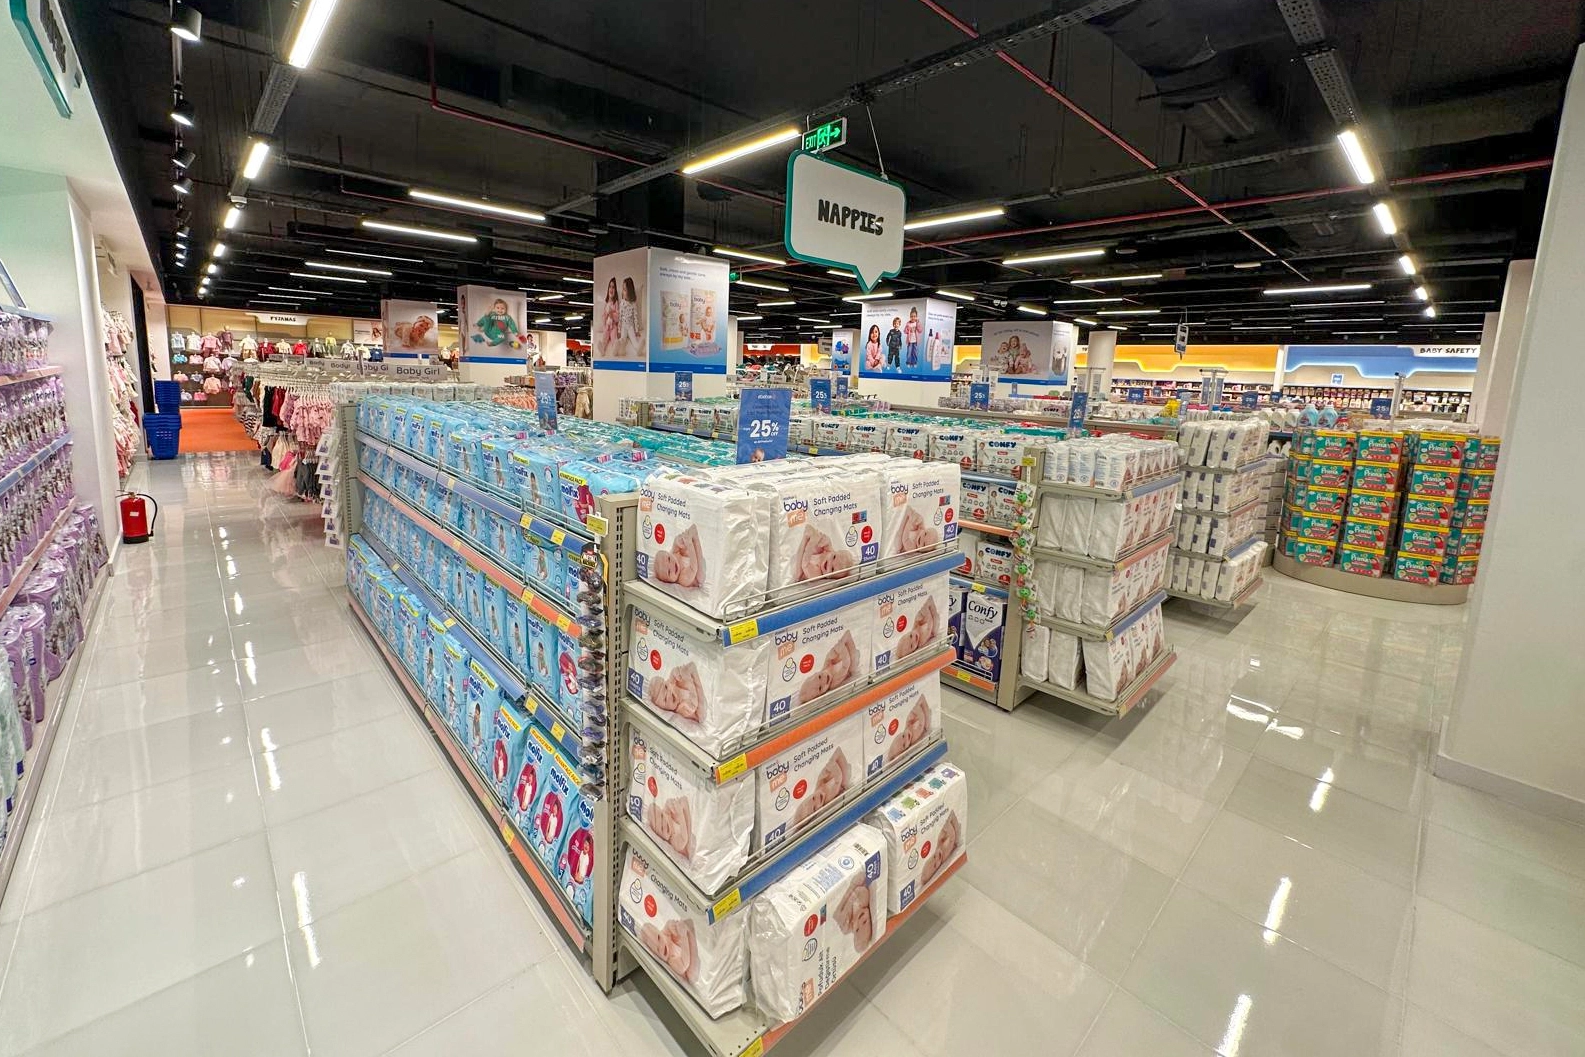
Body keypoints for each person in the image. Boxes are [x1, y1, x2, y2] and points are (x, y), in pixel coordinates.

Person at [619, 277, 642, 358]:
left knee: (634, 340)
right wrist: (619, 330)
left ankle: (638, 349)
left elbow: (635, 317)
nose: (623, 291)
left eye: (624, 289)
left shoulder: (633, 304)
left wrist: (637, 330)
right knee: (622, 339)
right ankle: (621, 350)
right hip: (624, 327)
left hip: (630, 327)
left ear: (630, 291)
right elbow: (620, 317)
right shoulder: (622, 302)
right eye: (623, 289)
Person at [600, 277, 620, 353]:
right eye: (610, 287)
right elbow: (603, 316)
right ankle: (602, 348)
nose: (611, 289)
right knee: (605, 336)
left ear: (615, 290)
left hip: (613, 326)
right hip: (607, 326)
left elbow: (618, 316)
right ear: (608, 289)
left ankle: (615, 348)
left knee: (614, 337)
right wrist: (604, 324)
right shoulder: (606, 303)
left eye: (613, 287)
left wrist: (612, 314)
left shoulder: (616, 302)